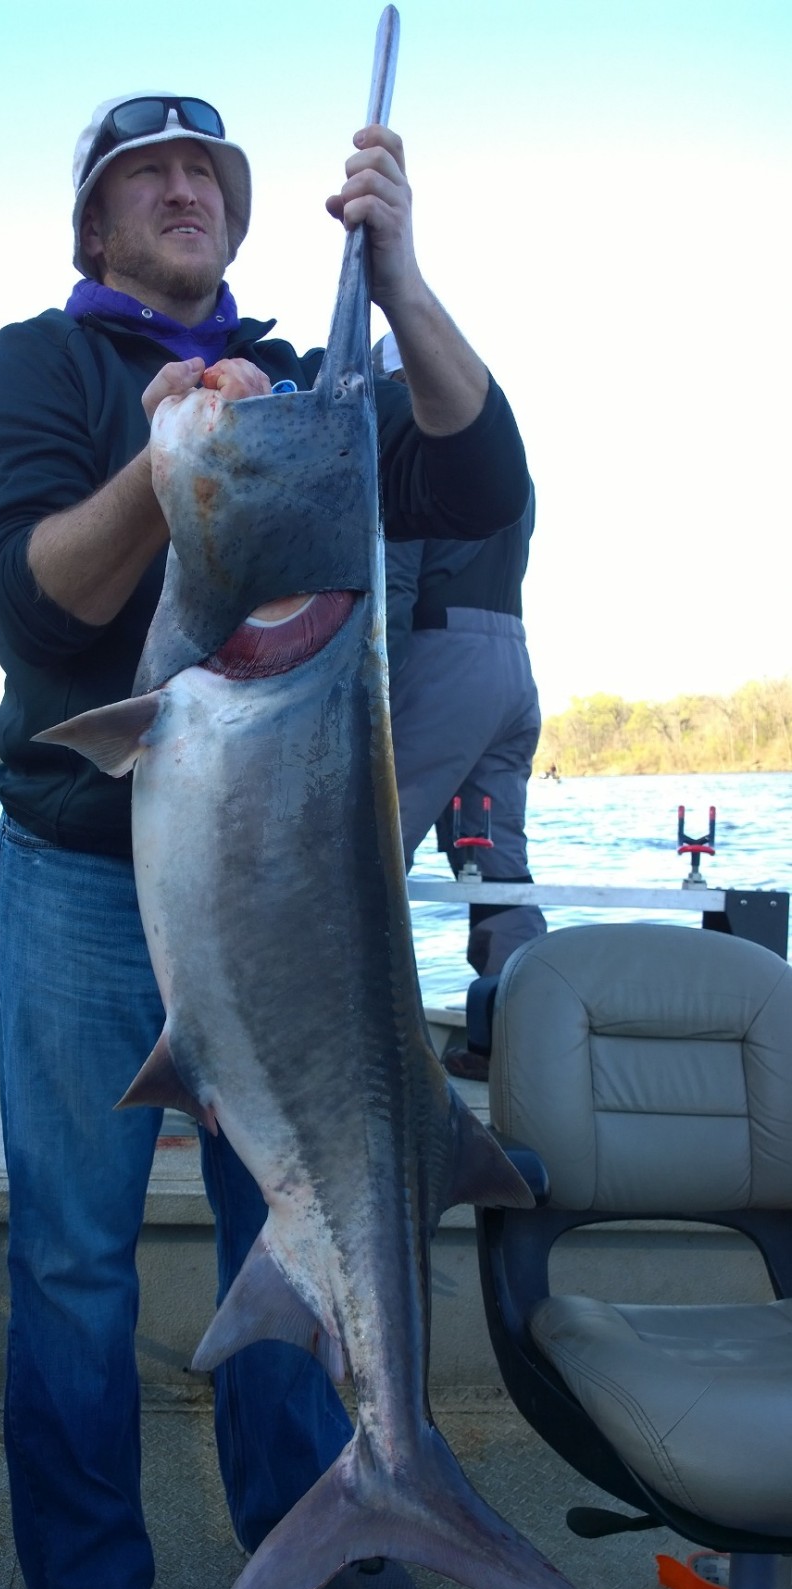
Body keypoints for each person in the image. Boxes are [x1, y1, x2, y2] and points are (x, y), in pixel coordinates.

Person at [0, 93, 530, 1589]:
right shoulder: (34, 372)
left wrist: (399, 278)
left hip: (293, 878)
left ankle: (324, 1516)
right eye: (149, 170)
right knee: (74, 1257)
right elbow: (34, 592)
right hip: (79, 872)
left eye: (209, 166)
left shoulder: (315, 371)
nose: (186, 185)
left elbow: (475, 472)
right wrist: (170, 460)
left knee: (297, 1203)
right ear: (97, 218)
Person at [373, 333, 546, 1071]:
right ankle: (526, 1031)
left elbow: (400, 582)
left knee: (370, 855)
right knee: (494, 856)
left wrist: (373, 693)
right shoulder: (497, 449)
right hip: (513, 660)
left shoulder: (410, 439)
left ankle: (368, 1041)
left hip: (444, 660)